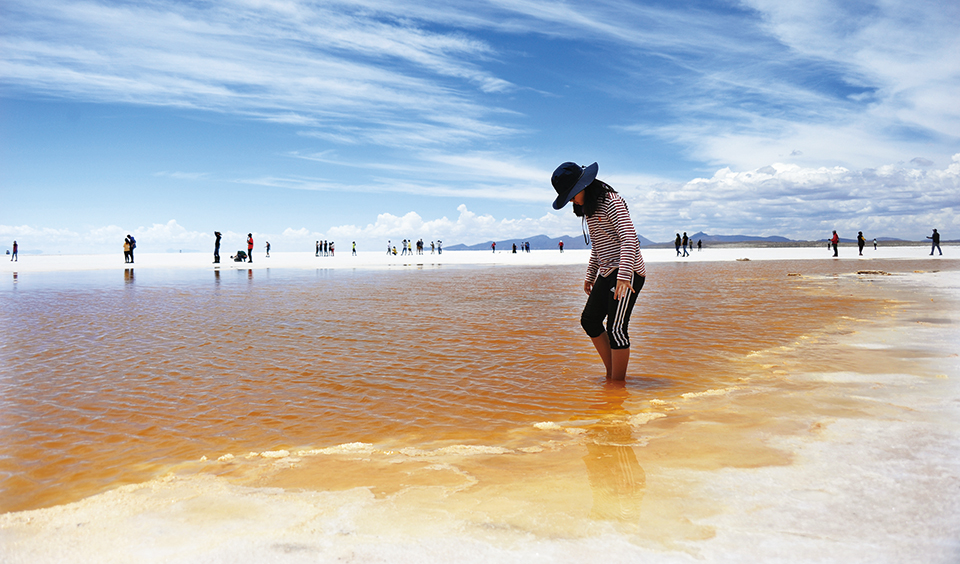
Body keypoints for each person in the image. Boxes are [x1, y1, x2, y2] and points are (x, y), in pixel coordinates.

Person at [552, 161, 646, 382]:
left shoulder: (612, 202)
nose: (572, 201)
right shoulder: (590, 210)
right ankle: (612, 373)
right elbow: (598, 246)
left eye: (572, 195)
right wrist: (590, 274)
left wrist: (623, 276)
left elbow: (629, 238)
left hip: (627, 271)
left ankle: (617, 386)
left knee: (616, 329)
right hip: (606, 272)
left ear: (583, 186)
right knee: (590, 320)